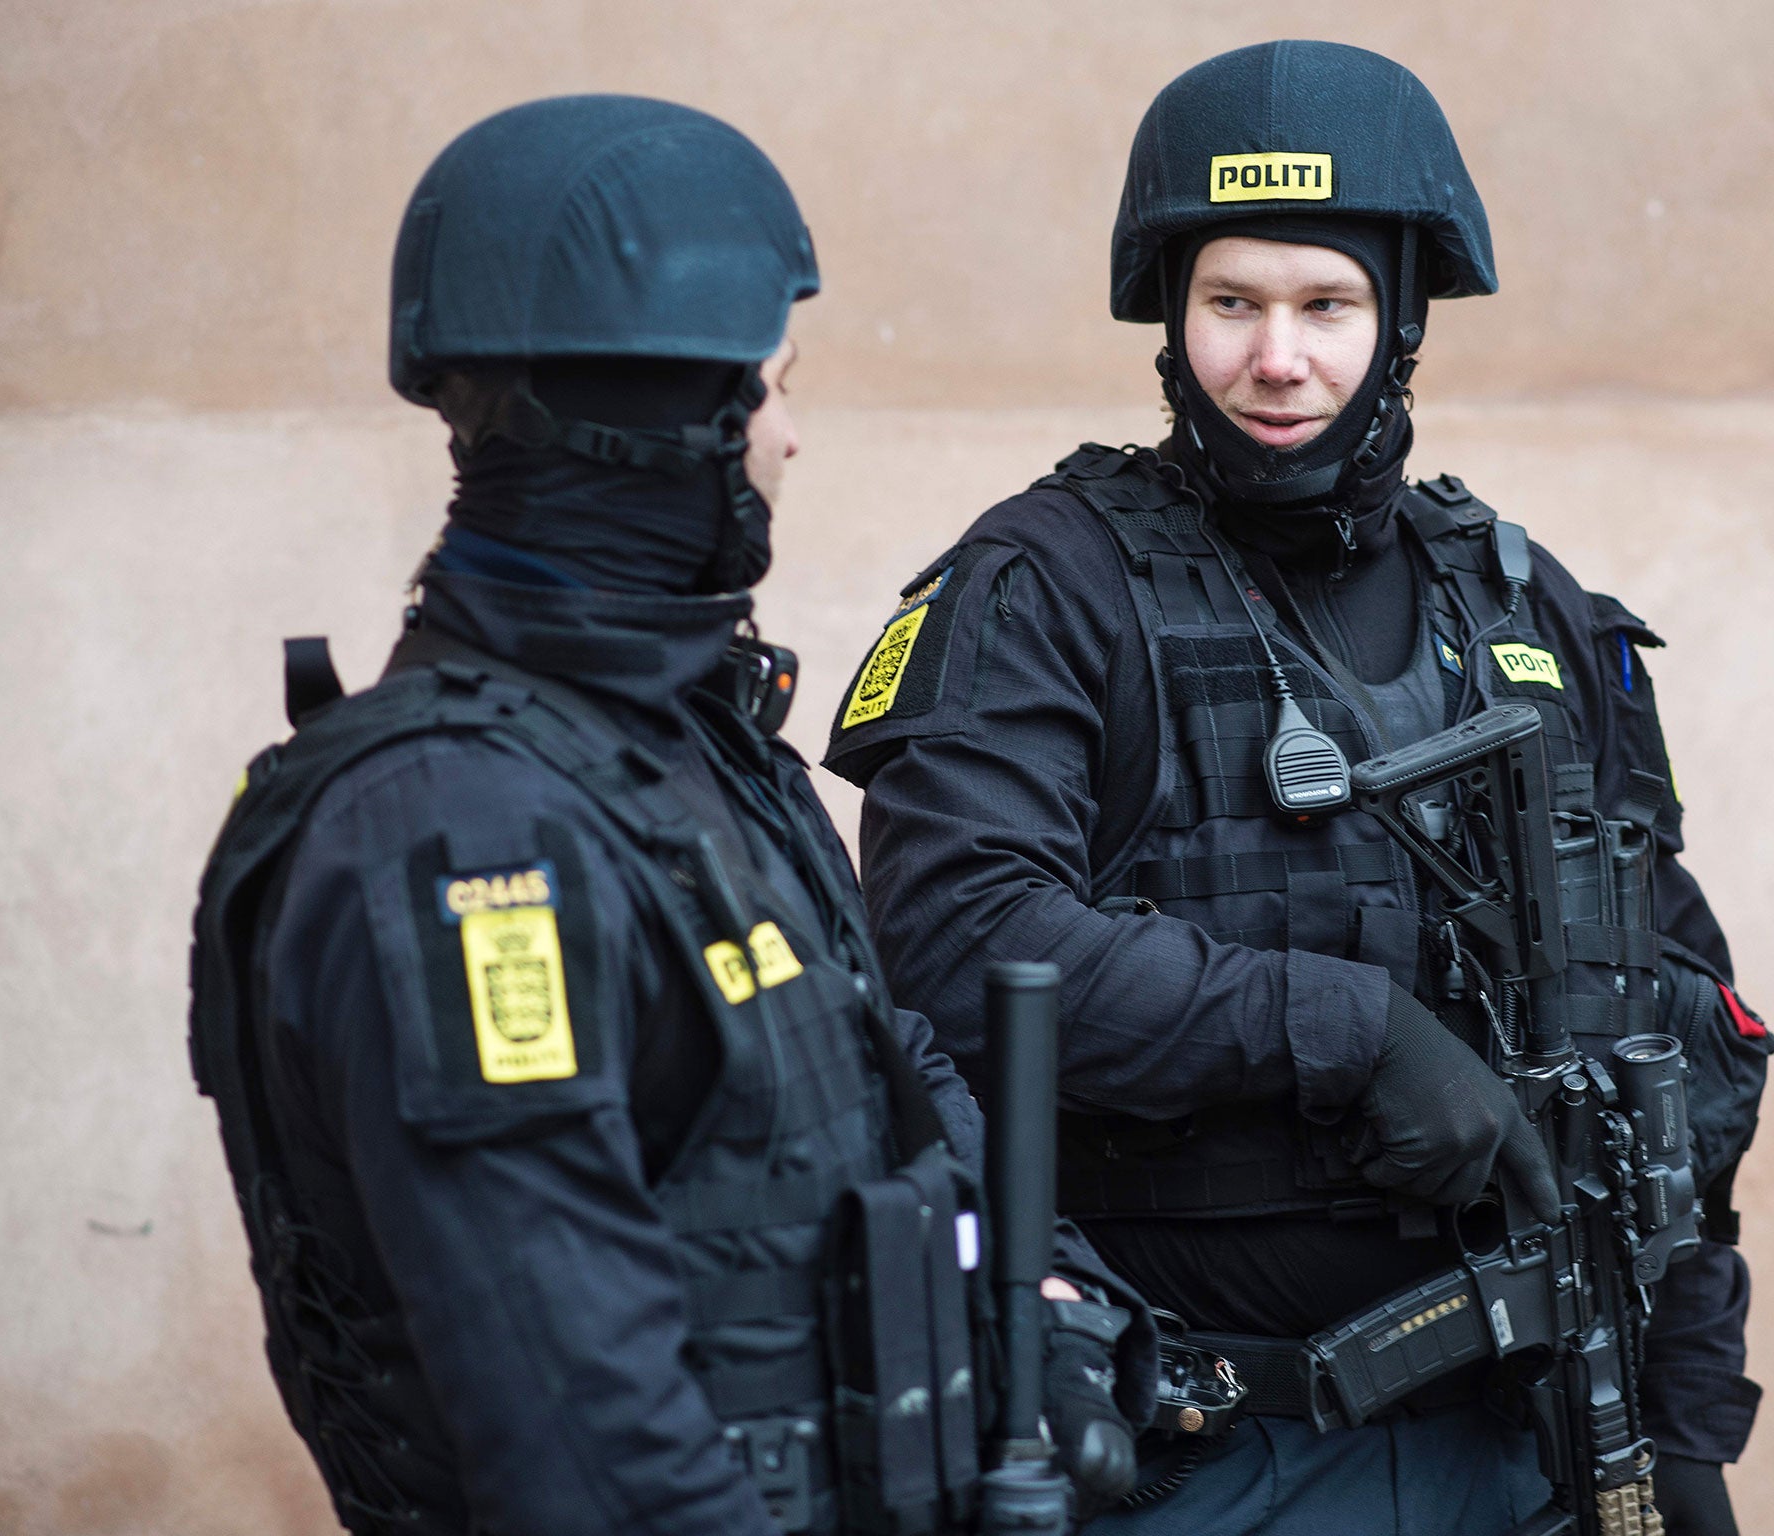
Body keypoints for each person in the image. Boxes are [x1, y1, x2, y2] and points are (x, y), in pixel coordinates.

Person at [824, 42, 1772, 1536]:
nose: (1279, 360)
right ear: (1172, 317)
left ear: (1398, 321)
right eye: (1233, 305)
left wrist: (1689, 1427)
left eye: (1326, 305)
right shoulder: (1048, 584)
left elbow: (1675, 1040)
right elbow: (958, 941)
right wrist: (1345, 1031)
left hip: (1538, 1453)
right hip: (1209, 1459)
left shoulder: (1530, 616)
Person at [188, 95, 1153, 1536]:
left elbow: (871, 1069)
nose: (791, 440)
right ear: (671, 431)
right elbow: (589, 1449)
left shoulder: (694, 747)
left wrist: (1038, 1290)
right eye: (774, 390)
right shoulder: (458, 840)